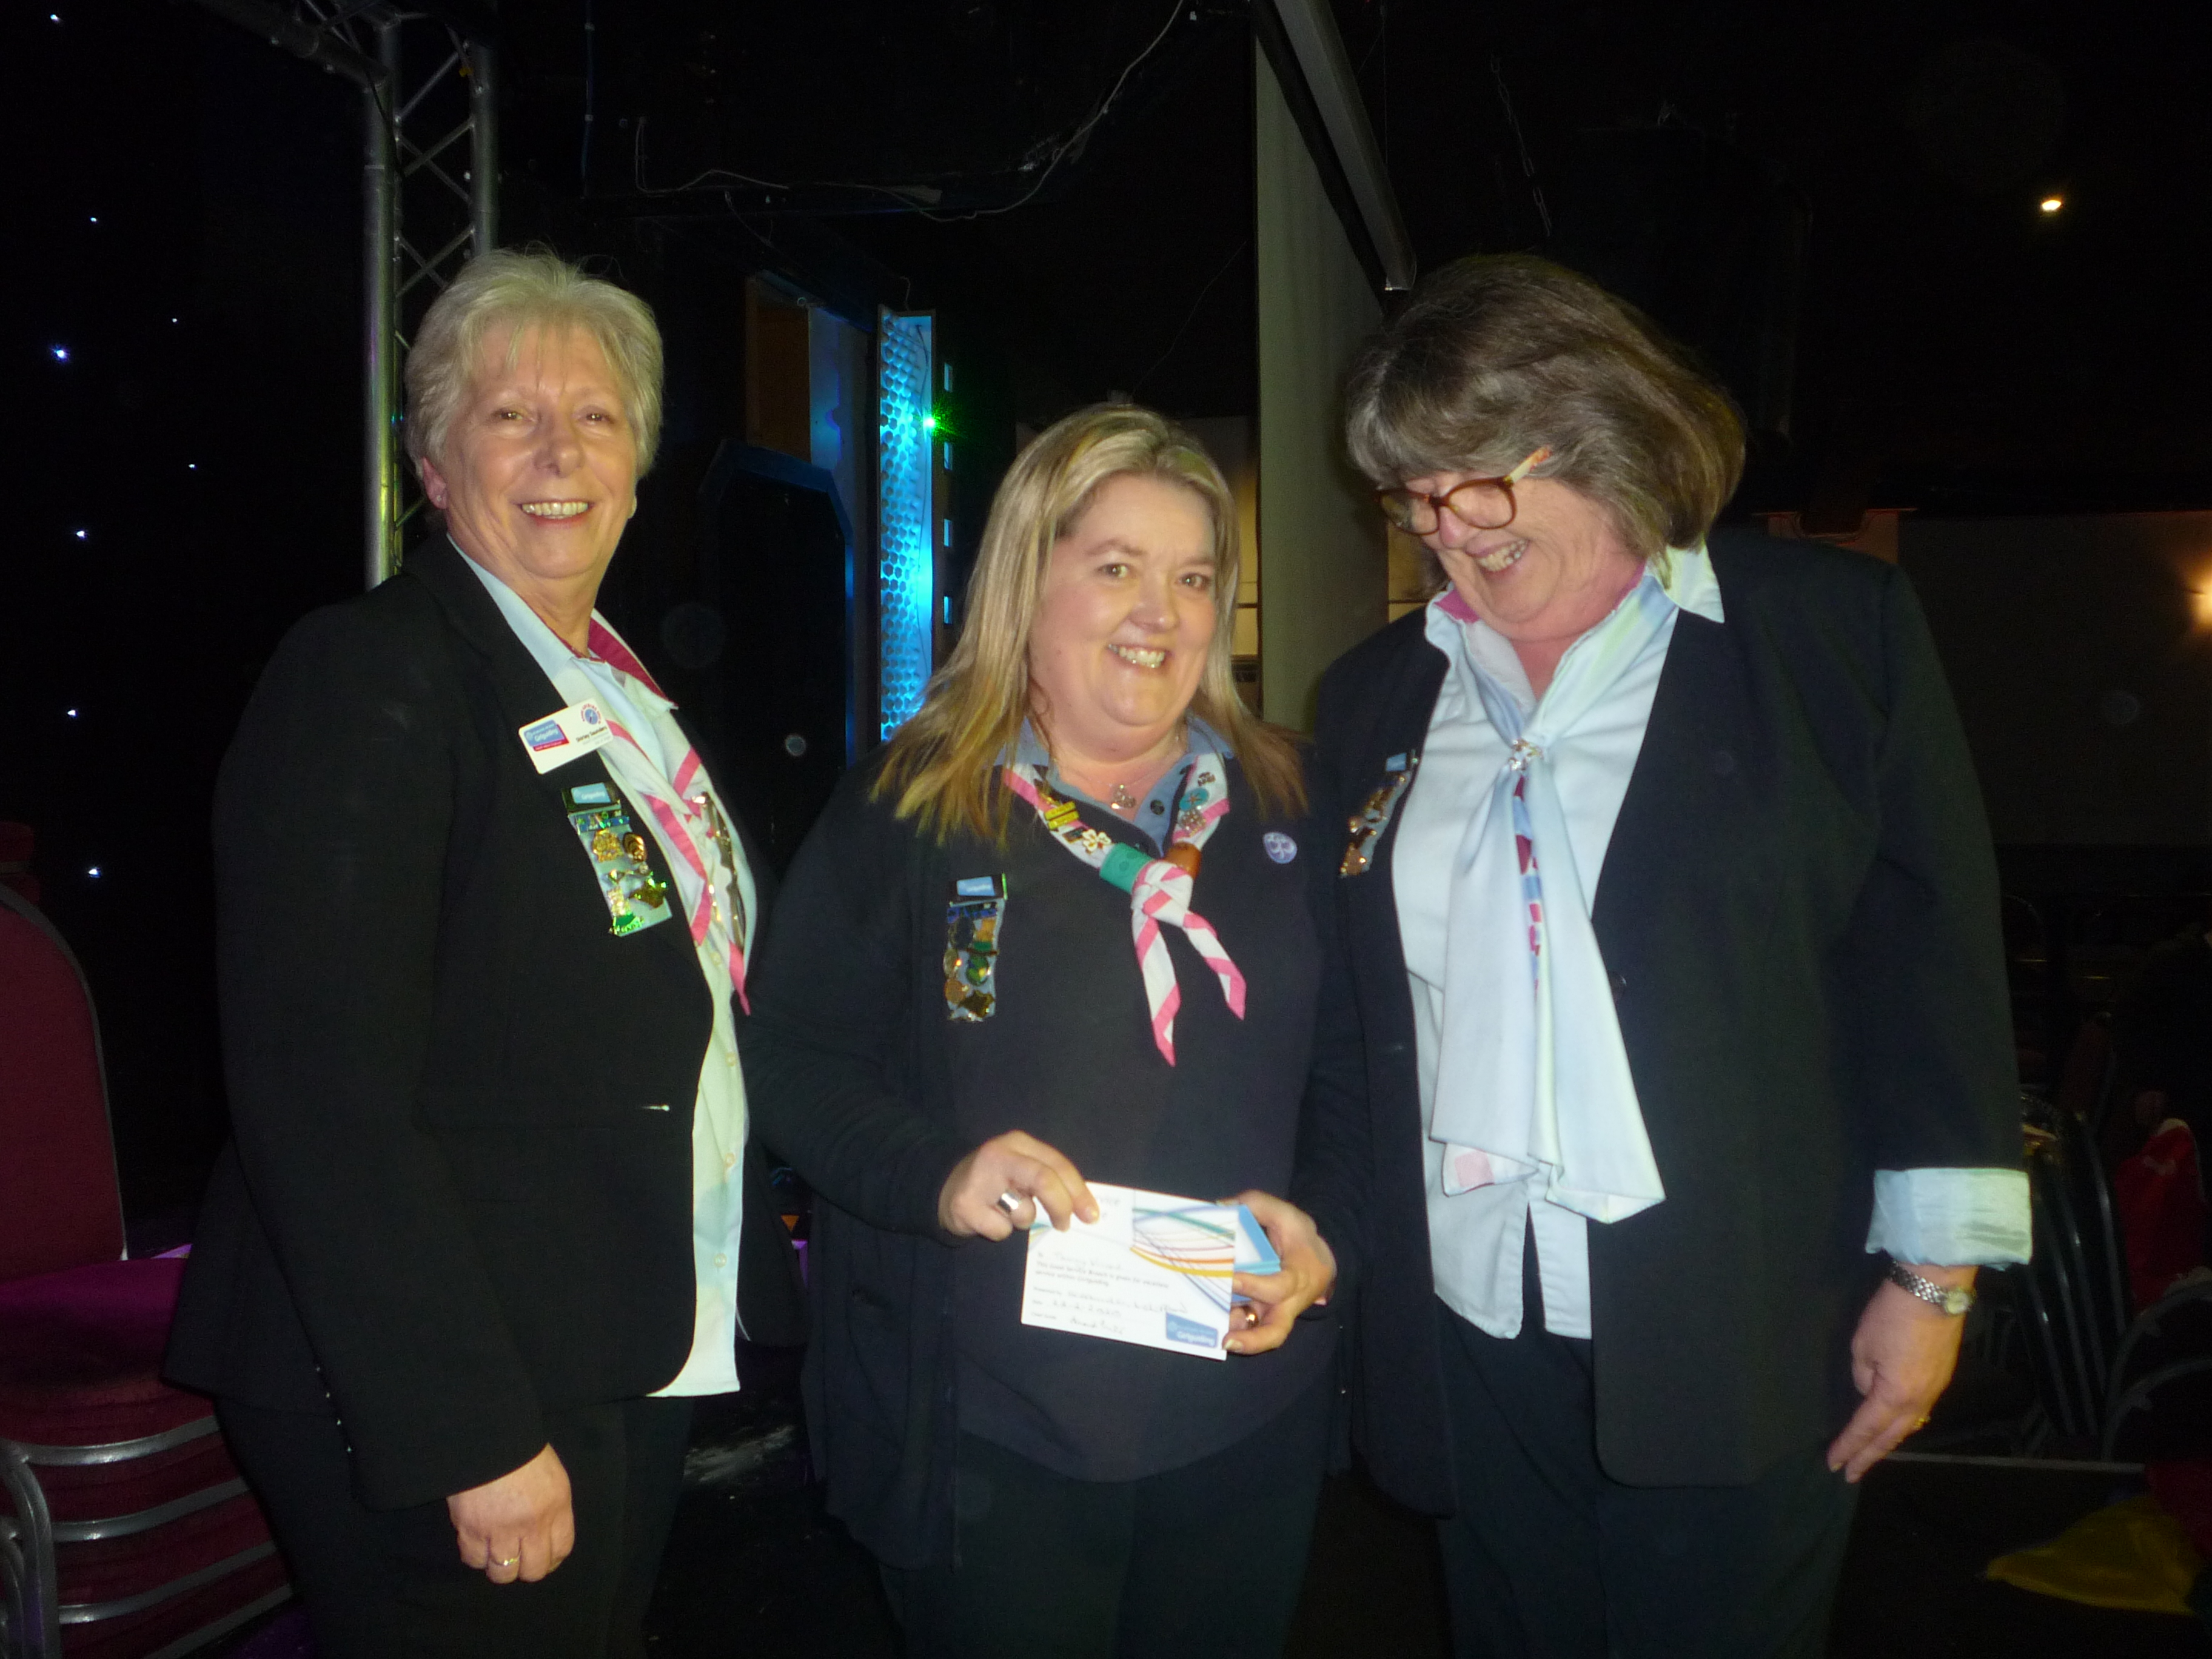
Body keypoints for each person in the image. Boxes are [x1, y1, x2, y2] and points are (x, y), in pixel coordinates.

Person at [1298, 255, 2031, 1657]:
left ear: (1600, 436)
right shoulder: (1374, 697)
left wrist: (1935, 1282)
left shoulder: (1825, 636)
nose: (1446, 533)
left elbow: (1928, 969)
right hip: (1468, 1310)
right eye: (1412, 498)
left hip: (1742, 1312)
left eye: (1474, 485)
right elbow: (1351, 1015)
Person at [166, 249, 803, 1658]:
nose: (560, 452)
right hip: (448, 1379)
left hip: (611, 1330)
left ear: (639, 465)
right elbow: (320, 1095)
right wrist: (467, 1428)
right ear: (434, 464)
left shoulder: (616, 697)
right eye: (512, 416)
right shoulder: (371, 673)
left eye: (597, 416)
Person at [742, 404, 1342, 1659]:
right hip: (992, 1422)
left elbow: (1360, 1080)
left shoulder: (1290, 803)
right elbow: (793, 1059)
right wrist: (939, 1174)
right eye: (1117, 567)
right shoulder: (912, 808)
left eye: (1194, 578)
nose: (1160, 614)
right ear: (1028, 578)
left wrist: (1331, 1240)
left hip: (1242, 1404)